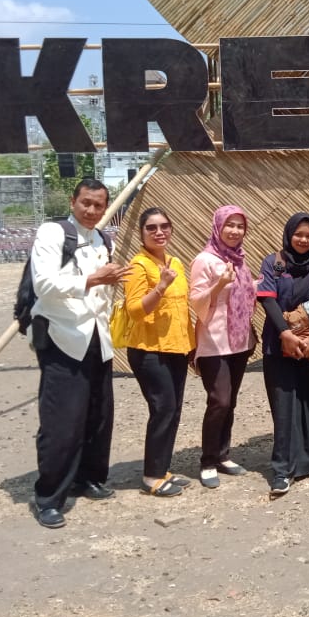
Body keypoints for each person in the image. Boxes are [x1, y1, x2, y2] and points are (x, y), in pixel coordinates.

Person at [30, 178, 129, 529]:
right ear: (73, 201)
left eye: (98, 205)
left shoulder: (102, 239)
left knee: (98, 415)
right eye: (86, 202)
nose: (91, 210)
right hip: (62, 337)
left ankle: (88, 477)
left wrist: (110, 283)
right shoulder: (53, 233)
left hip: (97, 337)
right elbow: (43, 283)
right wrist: (93, 279)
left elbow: (102, 291)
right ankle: (49, 497)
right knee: (62, 420)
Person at [256, 212, 309, 497]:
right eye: (298, 234)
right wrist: (285, 334)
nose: (304, 240)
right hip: (280, 345)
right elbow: (267, 299)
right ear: (289, 235)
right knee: (285, 407)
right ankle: (282, 470)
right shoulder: (274, 263)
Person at [123, 207, 196, 498]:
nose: (159, 232)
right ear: (141, 233)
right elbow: (135, 310)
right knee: (162, 408)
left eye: (164, 226)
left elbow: (182, 308)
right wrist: (161, 286)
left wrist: (191, 346)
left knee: (173, 409)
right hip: (149, 350)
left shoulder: (174, 262)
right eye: (151, 228)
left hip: (177, 348)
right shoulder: (138, 266)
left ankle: (162, 468)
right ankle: (151, 475)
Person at [190, 205, 257, 489]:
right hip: (214, 342)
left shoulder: (239, 260)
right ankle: (207, 461)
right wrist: (219, 285)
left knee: (231, 401)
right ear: (218, 226)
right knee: (219, 400)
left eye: (240, 226)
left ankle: (222, 454)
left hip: (238, 341)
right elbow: (196, 302)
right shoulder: (204, 260)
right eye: (230, 225)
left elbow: (246, 294)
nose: (234, 231)